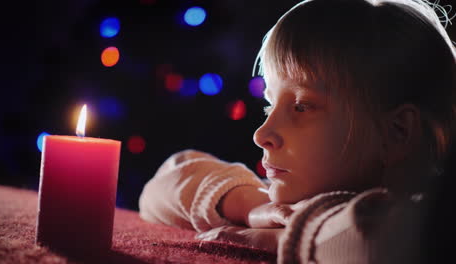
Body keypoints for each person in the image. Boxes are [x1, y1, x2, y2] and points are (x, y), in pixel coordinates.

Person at [139, 0, 456, 263]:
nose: (262, 133)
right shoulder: (298, 198)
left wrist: (296, 231)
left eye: (302, 106)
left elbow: (380, 242)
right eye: (269, 105)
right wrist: (253, 206)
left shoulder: (433, 226)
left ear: (397, 132)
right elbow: (163, 184)